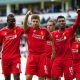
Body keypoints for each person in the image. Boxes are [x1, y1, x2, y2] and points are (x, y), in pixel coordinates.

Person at [23, 11, 55, 80]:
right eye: (33, 21)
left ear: (39, 22)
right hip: (32, 56)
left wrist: (53, 52)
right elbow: (24, 24)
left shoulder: (45, 30)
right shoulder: (29, 30)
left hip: (42, 56)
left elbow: (52, 39)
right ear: (31, 22)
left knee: (42, 77)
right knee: (28, 77)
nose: (35, 23)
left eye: (36, 21)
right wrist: (27, 15)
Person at [51, 9, 80, 80]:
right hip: (57, 59)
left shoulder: (69, 31)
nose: (62, 22)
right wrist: (53, 52)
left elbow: (76, 24)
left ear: (65, 22)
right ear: (57, 23)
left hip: (68, 59)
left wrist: (79, 15)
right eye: (60, 21)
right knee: (54, 78)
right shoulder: (53, 34)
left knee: (68, 78)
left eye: (63, 21)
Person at [0, 14, 24, 80]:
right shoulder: (1, 31)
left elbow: (27, 29)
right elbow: (0, 44)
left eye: (14, 21)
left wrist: (27, 17)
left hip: (16, 58)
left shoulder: (19, 29)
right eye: (11, 21)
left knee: (17, 77)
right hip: (5, 58)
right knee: (7, 78)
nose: (13, 23)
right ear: (7, 21)